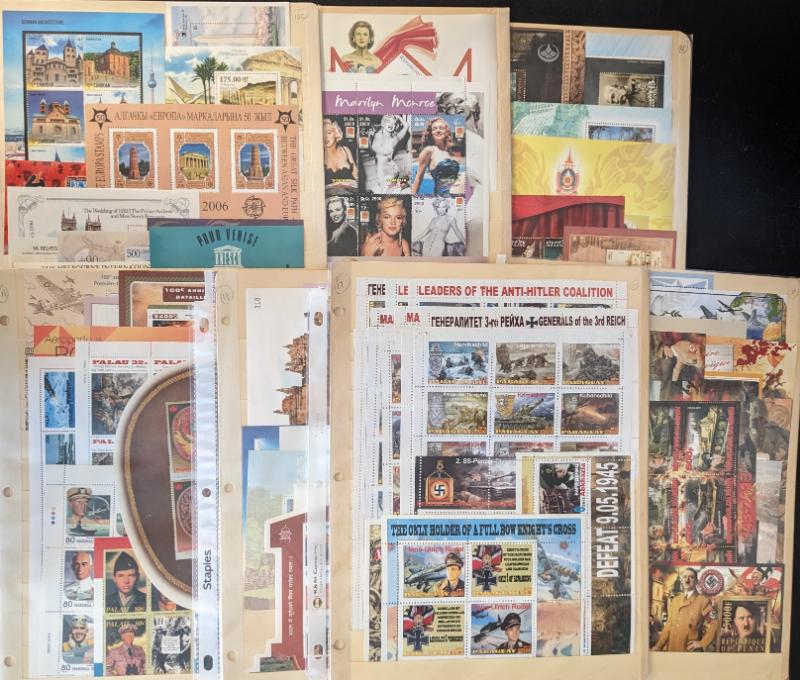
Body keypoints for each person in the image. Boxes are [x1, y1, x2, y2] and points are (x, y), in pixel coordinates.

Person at [652, 568, 717, 651]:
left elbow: (715, 623)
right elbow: (668, 626)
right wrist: (658, 646)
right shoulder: (675, 601)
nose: (687, 580)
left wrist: (702, 643)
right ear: (682, 580)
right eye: (685, 577)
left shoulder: (703, 601)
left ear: (697, 581)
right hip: (672, 650)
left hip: (689, 651)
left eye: (691, 577)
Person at [411, 117, 462, 197]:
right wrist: (412, 198)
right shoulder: (428, 151)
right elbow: (418, 178)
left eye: (441, 128)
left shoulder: (449, 152)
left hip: (457, 197)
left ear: (446, 131)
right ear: (431, 133)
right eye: (434, 129)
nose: (438, 130)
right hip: (441, 199)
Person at [368, 115, 410, 192]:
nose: (391, 125)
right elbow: (372, 151)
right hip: (382, 171)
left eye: (393, 123)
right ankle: (401, 185)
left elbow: (406, 125)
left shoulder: (394, 139)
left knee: (389, 192)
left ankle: (401, 185)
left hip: (392, 171)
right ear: (383, 123)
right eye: (388, 122)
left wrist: (398, 116)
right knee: (386, 192)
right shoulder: (377, 135)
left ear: (395, 126)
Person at [323, 118, 356, 188]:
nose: (325, 137)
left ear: (336, 133)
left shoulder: (345, 150)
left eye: (329, 133)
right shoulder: (320, 155)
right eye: (322, 133)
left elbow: (356, 176)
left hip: (350, 192)